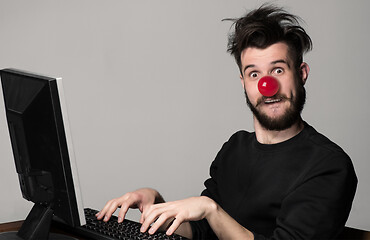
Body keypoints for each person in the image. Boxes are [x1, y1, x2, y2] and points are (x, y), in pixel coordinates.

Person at [96, 4, 357, 239]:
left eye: (278, 70)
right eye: (254, 74)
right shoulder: (236, 147)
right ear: (243, 82)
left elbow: (211, 216)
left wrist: (211, 210)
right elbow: (202, 231)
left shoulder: (329, 166)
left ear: (301, 74)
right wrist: (156, 208)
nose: (268, 86)